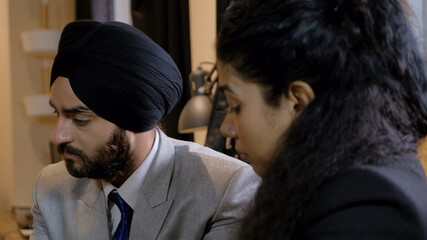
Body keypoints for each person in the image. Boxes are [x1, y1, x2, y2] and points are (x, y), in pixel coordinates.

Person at [30, 20, 260, 240]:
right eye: (57, 114)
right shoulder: (51, 188)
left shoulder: (224, 188)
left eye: (79, 119)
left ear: (132, 116)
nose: (57, 136)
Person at [216, 0, 427, 239]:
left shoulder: (368, 208)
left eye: (235, 106)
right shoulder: (336, 180)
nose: (226, 128)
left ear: (297, 101)